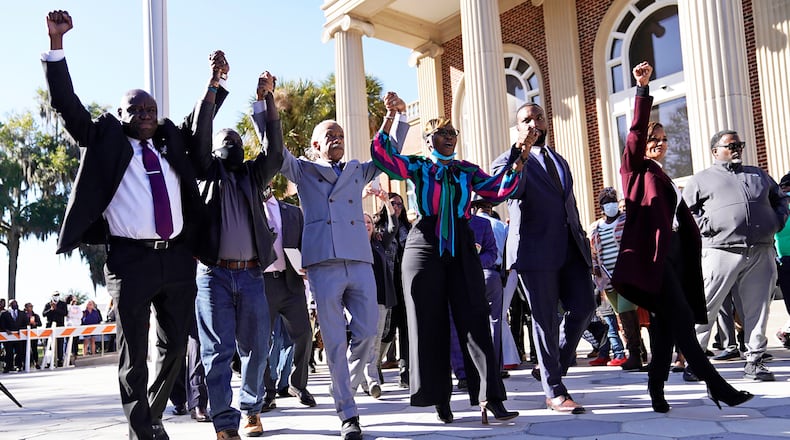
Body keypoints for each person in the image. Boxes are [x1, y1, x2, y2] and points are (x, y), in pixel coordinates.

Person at [44, 11, 213, 440]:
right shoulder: (105, 139)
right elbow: (67, 105)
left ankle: (150, 414)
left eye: (150, 109)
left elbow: (198, 129)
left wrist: (213, 86)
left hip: (175, 258)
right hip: (129, 260)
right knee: (134, 354)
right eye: (135, 109)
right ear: (121, 114)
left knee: (177, 346)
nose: (144, 114)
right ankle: (143, 430)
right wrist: (57, 45)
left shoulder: (170, 140)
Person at [611, 61, 753, 413]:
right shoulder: (635, 171)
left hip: (675, 257)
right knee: (683, 328)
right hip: (654, 261)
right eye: (652, 140)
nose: (658, 144)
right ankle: (720, 388)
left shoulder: (665, 177)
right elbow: (634, 133)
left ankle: (656, 391)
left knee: (665, 331)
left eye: (663, 140)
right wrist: (643, 90)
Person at [372, 92, 522, 424]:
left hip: (461, 242)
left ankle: (490, 397)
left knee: (475, 319)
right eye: (442, 132)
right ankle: (440, 398)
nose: (450, 136)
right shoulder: (419, 166)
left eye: (452, 131)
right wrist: (390, 116)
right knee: (430, 322)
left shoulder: (467, 170)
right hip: (424, 243)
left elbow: (497, 189)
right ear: (429, 140)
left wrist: (516, 159)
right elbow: (382, 155)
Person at [279, 92, 409, 440]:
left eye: (340, 134)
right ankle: (348, 414)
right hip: (324, 263)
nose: (337, 138)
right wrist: (265, 107)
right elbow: (277, 154)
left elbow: (386, 154)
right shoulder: (304, 170)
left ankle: (345, 385)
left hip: (359, 259)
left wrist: (394, 116)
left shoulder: (356, 169)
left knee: (368, 331)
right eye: (329, 135)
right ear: (316, 145)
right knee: (335, 340)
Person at [191, 62, 284, 439]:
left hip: (250, 275)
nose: (233, 147)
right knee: (216, 352)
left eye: (238, 143)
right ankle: (225, 422)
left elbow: (274, 151)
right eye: (226, 143)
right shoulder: (205, 174)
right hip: (213, 275)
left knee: (257, 348)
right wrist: (213, 84)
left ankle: (251, 408)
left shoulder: (252, 174)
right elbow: (198, 138)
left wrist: (267, 101)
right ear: (215, 150)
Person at [491, 102, 596, 414]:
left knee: (585, 308)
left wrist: (583, 242)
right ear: (518, 128)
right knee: (544, 320)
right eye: (526, 119)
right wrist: (518, 156)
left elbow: (569, 206)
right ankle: (555, 391)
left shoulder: (560, 160)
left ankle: (552, 366)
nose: (534, 122)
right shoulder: (508, 160)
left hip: (571, 250)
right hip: (535, 253)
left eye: (538, 116)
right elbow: (502, 188)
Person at [682, 129, 788, 382]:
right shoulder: (701, 179)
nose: (737, 148)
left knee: (758, 308)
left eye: (739, 144)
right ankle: (695, 361)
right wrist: (709, 229)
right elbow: (686, 213)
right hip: (720, 251)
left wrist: (776, 222)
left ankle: (755, 360)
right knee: (706, 306)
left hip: (761, 250)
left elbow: (780, 200)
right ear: (715, 151)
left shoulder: (759, 175)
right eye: (730, 145)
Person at [260, 185, 316, 410]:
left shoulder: (292, 212)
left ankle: (298, 384)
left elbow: (306, 244)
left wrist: (307, 264)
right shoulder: (249, 209)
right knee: (261, 342)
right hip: (261, 284)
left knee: (303, 334)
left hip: (290, 282)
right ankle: (267, 392)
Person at [588, 187, 643, 370]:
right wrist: (595, 269)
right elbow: (594, 252)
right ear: (601, 206)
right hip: (607, 278)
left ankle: (634, 353)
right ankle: (637, 350)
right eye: (606, 202)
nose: (610, 204)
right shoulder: (596, 228)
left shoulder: (627, 220)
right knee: (621, 315)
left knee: (627, 311)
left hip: (627, 275)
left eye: (612, 200)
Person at [360, 188, 398, 398]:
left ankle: (368, 380)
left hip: (381, 298)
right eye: (362, 222)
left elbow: (393, 226)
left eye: (369, 222)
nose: (366, 225)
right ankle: (371, 380)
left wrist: (386, 202)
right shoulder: (352, 243)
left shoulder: (379, 242)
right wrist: (360, 198)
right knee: (365, 340)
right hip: (359, 299)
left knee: (376, 340)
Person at [379, 192, 411, 388]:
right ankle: (375, 366)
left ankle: (405, 372)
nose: (397, 207)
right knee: (387, 331)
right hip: (387, 285)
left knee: (406, 330)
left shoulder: (410, 229)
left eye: (399, 204)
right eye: (392, 204)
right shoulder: (379, 227)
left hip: (405, 285)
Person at [775, 172, 790, 348]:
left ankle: (786, 332)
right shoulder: (778, 206)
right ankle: (786, 332)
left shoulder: (778, 204)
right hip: (784, 260)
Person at [1, 300, 27, 372]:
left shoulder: (22, 313)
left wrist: (21, 330)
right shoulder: (4, 314)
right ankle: (8, 366)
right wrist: (5, 329)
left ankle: (18, 365)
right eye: (13, 303)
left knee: (19, 351)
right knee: (9, 352)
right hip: (8, 336)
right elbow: (2, 324)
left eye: (16, 303)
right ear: (9, 305)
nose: (15, 305)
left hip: (19, 336)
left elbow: (26, 323)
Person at [42, 291, 67, 367]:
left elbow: (65, 313)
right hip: (50, 326)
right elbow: (44, 314)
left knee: (60, 343)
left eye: (58, 295)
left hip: (60, 326)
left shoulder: (63, 304)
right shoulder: (48, 304)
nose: (56, 296)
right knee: (49, 345)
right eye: (55, 295)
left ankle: (60, 361)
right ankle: (49, 362)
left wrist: (56, 309)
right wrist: (51, 309)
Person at [23, 303, 43, 369]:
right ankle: (25, 363)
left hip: (34, 334)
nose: (31, 308)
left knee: (34, 348)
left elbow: (40, 324)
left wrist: (35, 323)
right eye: (29, 306)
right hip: (25, 334)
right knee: (25, 349)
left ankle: (36, 362)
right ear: (26, 307)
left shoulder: (35, 315)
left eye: (32, 306)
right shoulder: (23, 315)